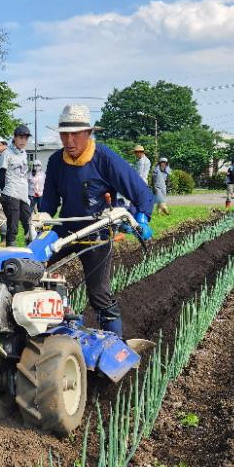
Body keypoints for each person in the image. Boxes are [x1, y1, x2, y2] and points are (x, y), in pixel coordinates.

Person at [39, 105, 153, 338]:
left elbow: (140, 192)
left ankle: (114, 343)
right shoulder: (55, 162)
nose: (69, 140)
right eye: (64, 134)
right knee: (30, 270)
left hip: (96, 230)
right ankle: (55, 325)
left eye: (75, 134)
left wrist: (142, 218)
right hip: (66, 229)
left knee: (98, 293)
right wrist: (42, 216)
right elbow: (49, 202)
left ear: (88, 133)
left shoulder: (104, 158)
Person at [0, 125, 32, 246]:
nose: (23, 141)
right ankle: (10, 252)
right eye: (21, 137)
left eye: (26, 138)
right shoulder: (6, 153)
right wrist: (5, 191)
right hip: (11, 193)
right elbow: (1, 174)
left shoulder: (24, 153)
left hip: (23, 194)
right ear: (15, 138)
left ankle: (31, 250)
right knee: (13, 226)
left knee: (30, 223)